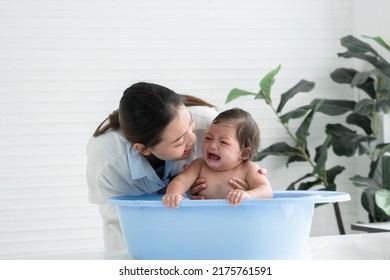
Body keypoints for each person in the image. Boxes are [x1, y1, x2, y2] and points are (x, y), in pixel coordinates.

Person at [86, 82, 265, 251]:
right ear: (144, 148)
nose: (194, 139)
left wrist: (246, 185)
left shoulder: (211, 127)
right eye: (179, 141)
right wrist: (177, 192)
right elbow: (117, 218)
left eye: (190, 124)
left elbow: (242, 163)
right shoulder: (107, 162)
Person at [162, 108, 272, 208]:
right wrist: (173, 193)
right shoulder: (199, 165)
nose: (212, 145)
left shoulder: (248, 169)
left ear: (244, 153)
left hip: (238, 221)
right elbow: (181, 180)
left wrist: (249, 194)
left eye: (223, 142)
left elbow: (266, 191)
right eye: (209, 138)